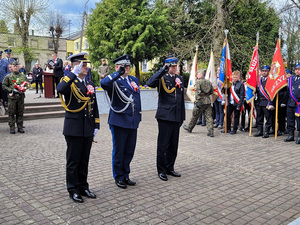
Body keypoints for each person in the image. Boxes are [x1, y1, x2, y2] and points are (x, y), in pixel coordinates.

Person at [57, 52, 100, 203]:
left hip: (87, 128)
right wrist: (72, 74)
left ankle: (83, 186)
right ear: (76, 66)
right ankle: (73, 189)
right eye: (83, 65)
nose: (86, 67)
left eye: (86, 65)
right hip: (74, 128)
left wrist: (96, 124)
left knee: (84, 160)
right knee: (73, 161)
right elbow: (60, 89)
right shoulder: (69, 81)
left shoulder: (89, 84)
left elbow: (94, 105)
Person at [101, 54, 141, 189]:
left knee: (129, 150)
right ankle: (118, 177)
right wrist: (118, 73)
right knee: (119, 151)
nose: (127, 68)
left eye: (128, 66)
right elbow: (103, 83)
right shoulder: (114, 81)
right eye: (124, 66)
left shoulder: (133, 79)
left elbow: (137, 99)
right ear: (117, 67)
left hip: (132, 121)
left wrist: (138, 117)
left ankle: (126, 175)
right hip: (119, 121)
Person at [146, 56, 185, 181]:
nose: (174, 68)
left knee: (173, 145)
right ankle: (161, 170)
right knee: (163, 145)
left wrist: (182, 116)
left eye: (175, 66)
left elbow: (181, 99)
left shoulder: (180, 78)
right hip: (165, 116)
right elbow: (149, 83)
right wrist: (162, 70)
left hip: (176, 116)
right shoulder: (162, 77)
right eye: (172, 66)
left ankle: (170, 167)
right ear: (167, 66)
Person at [183, 69, 214, 136]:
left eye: (198, 74)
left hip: (200, 101)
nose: (197, 75)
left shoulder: (198, 82)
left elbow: (197, 92)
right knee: (209, 117)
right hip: (208, 101)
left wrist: (197, 101)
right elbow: (212, 91)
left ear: (200, 75)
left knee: (195, 115)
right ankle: (211, 131)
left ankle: (189, 128)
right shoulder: (209, 82)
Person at [2, 61, 29, 134]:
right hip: (12, 98)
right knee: (11, 112)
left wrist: (24, 88)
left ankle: (20, 127)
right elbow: (4, 86)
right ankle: (12, 127)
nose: (15, 67)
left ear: (19, 67)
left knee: (20, 112)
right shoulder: (8, 76)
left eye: (17, 66)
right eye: (14, 66)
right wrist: (10, 90)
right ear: (12, 67)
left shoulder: (23, 76)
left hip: (20, 97)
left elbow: (27, 84)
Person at [254, 65, 275, 138]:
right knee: (259, 117)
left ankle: (266, 131)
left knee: (268, 118)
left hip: (267, 102)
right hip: (259, 101)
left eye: (266, 71)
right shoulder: (258, 80)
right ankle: (260, 131)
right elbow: (256, 90)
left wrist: (271, 103)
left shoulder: (271, 80)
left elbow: (273, 93)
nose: (264, 72)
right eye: (263, 71)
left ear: (269, 72)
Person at [222, 70, 245, 134]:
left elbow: (242, 96)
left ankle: (234, 129)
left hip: (236, 103)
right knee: (227, 115)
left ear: (239, 77)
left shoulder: (241, 84)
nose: (234, 78)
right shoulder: (230, 83)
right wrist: (225, 88)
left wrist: (239, 105)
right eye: (233, 77)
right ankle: (228, 128)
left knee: (236, 117)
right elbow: (225, 93)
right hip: (230, 102)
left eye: (236, 77)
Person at [285, 63, 300, 144]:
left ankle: (299, 136)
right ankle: (291, 135)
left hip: (299, 103)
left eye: (299, 69)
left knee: (299, 121)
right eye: (296, 69)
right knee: (290, 119)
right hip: (291, 102)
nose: (297, 71)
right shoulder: (291, 79)